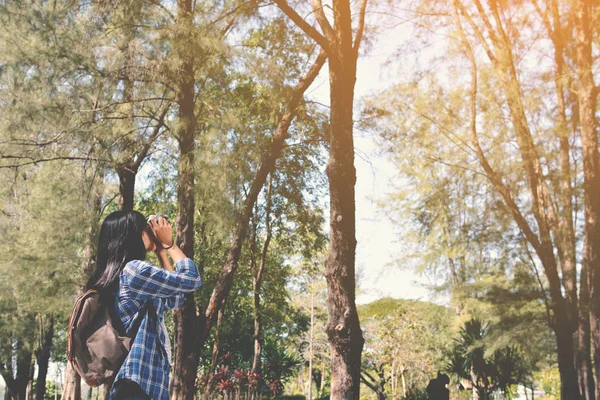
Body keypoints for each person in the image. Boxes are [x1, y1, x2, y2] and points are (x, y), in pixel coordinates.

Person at [85, 210, 203, 400]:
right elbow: (192, 280)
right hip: (136, 388)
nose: (152, 232)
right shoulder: (134, 271)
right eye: (147, 228)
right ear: (133, 234)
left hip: (136, 388)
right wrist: (170, 244)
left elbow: (175, 297)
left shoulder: (121, 276)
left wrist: (162, 253)